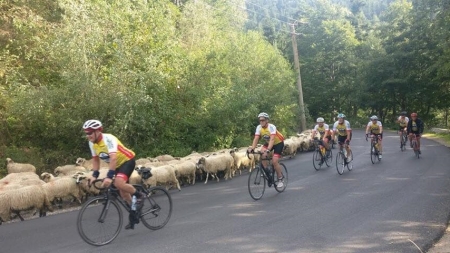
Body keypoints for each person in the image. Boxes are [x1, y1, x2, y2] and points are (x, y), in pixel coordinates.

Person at [83, 119, 144, 230]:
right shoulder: (92, 143)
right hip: (116, 165)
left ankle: (139, 195)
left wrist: (109, 177)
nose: (88, 136)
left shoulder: (108, 139)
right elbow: (96, 160)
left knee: (118, 183)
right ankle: (134, 212)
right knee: (124, 194)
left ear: (98, 131)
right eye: (86, 133)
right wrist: (94, 175)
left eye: (90, 133)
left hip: (127, 161)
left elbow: (113, 158)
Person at [247, 112, 285, 189]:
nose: (261, 122)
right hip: (268, 143)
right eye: (260, 120)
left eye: (263, 120)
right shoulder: (259, 127)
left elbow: (272, 139)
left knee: (274, 161)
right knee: (262, 155)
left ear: (267, 120)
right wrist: (252, 148)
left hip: (278, 143)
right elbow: (256, 139)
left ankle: (280, 178)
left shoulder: (271, 127)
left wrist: (268, 150)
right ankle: (268, 172)